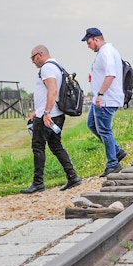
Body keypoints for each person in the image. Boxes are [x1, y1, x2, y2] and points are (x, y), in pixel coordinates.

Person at [21, 45, 82, 194]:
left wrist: (46, 112)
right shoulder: (57, 66)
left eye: (33, 58)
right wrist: (38, 110)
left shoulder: (47, 68)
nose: (33, 62)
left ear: (40, 55)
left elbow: (52, 90)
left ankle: (38, 183)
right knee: (55, 145)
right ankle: (72, 176)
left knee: (38, 146)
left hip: (48, 116)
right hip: (57, 114)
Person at [82, 28, 127, 177]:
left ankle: (113, 164)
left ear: (96, 39)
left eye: (89, 43)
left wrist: (101, 94)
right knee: (91, 124)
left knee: (104, 130)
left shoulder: (106, 52)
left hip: (106, 99)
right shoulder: (104, 52)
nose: (88, 46)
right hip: (100, 99)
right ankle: (117, 151)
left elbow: (110, 75)